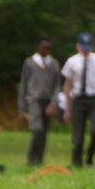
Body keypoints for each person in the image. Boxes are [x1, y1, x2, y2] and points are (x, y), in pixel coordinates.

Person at [61, 32, 95, 167]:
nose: (86, 51)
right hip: (78, 99)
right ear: (77, 46)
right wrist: (66, 107)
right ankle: (76, 163)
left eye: (89, 47)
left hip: (94, 99)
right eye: (83, 47)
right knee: (78, 135)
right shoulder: (71, 61)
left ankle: (89, 157)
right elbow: (67, 84)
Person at [18, 36, 61, 166]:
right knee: (36, 129)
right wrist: (21, 108)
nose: (48, 50)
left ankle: (39, 161)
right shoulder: (29, 62)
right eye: (45, 47)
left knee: (44, 133)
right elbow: (23, 84)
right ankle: (31, 159)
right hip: (33, 99)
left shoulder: (54, 64)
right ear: (38, 47)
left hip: (47, 100)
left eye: (50, 48)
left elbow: (57, 85)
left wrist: (53, 104)